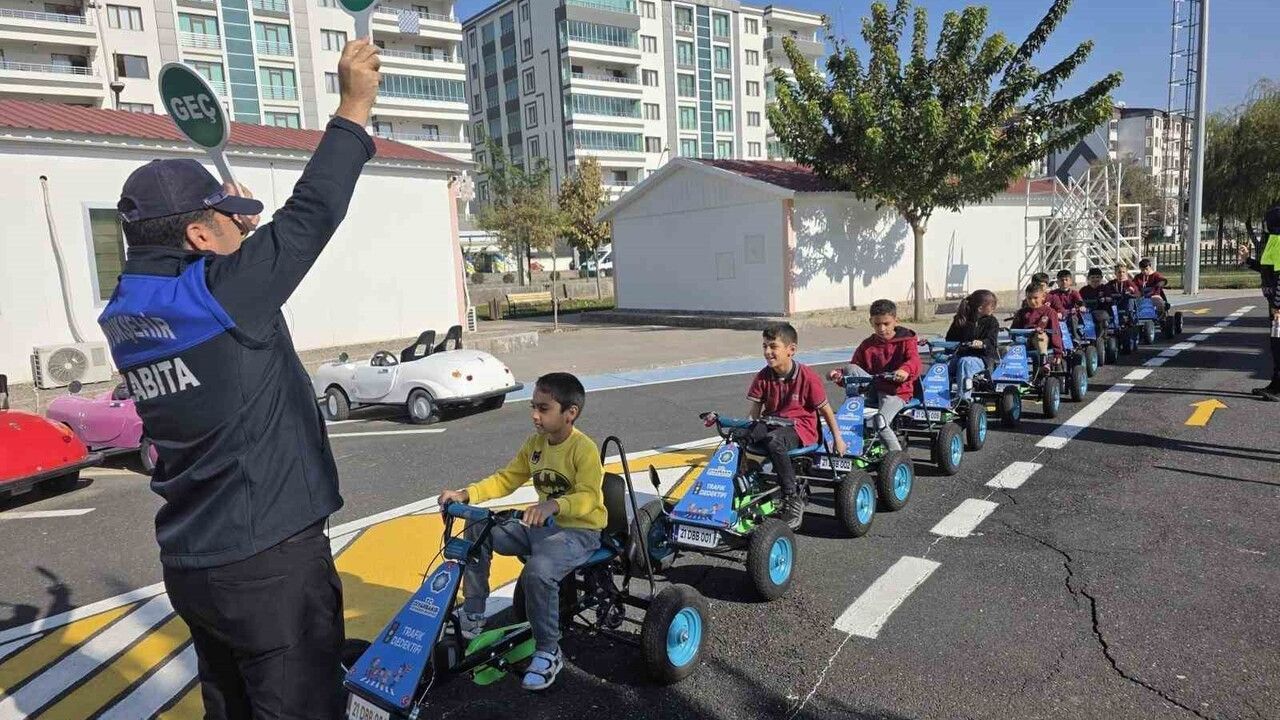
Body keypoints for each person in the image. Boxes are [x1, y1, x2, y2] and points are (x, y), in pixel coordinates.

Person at [95, 40, 381, 719]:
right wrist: (354, 107)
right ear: (197, 234)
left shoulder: (126, 315)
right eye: (231, 218)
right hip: (270, 568)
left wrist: (229, 226)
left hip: (196, 566)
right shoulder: (223, 296)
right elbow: (310, 214)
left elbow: (210, 280)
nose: (243, 226)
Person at [437, 373, 604, 691]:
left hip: (580, 532)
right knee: (479, 528)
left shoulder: (583, 449)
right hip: (542, 528)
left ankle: (548, 650)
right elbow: (507, 478)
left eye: (543, 408)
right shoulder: (536, 445)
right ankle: (474, 612)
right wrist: (465, 494)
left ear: (570, 413)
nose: (534, 415)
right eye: (533, 407)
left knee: (538, 571)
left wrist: (554, 506)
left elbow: (589, 498)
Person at [734, 323, 845, 530]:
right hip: (771, 423)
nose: (767, 352)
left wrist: (837, 438)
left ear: (791, 350)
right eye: (765, 346)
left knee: (773, 440)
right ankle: (741, 483)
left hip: (801, 429)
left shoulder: (808, 377)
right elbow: (754, 411)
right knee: (737, 435)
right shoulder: (763, 375)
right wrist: (745, 431)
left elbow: (826, 410)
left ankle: (791, 497)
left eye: (773, 346)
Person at [829, 299, 921, 456]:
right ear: (871, 321)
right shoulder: (868, 344)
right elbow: (855, 366)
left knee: (880, 421)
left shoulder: (906, 341)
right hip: (873, 388)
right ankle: (847, 445)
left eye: (886, 323)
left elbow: (914, 361)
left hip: (896, 393)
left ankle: (898, 457)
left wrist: (904, 370)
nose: (882, 328)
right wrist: (837, 374)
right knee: (850, 369)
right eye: (877, 324)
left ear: (895, 320)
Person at [1239, 203, 1280, 401]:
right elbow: (1268, 270)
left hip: (1278, 306)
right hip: (1275, 302)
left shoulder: (1278, 241)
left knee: (1278, 344)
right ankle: (1275, 384)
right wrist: (1248, 260)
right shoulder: (1274, 241)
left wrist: (1278, 305)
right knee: (1275, 344)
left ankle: (1277, 388)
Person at [945, 289, 1000, 402]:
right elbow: (950, 339)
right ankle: (936, 399)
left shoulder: (992, 322)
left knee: (965, 362)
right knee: (941, 366)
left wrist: (982, 343)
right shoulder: (961, 319)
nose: (994, 309)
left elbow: (992, 342)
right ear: (980, 308)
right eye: (992, 306)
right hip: (960, 355)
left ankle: (963, 399)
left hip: (982, 358)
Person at [1012, 283, 1063, 358]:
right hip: (1026, 340)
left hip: (1044, 341)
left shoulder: (1050, 312)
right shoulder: (1021, 312)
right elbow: (1014, 331)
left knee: (1040, 336)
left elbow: (1056, 332)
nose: (1032, 301)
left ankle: (1044, 362)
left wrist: (1058, 353)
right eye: (1029, 298)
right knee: (1007, 347)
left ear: (1043, 297)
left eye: (1035, 298)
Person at [1049, 270, 1086, 337]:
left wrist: (1081, 307)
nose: (1064, 282)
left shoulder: (1074, 293)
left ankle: (1076, 338)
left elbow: (1080, 302)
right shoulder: (1052, 294)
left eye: (1066, 280)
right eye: (1061, 280)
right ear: (1057, 282)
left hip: (1070, 315)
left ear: (1070, 281)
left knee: (1073, 318)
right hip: (1058, 316)